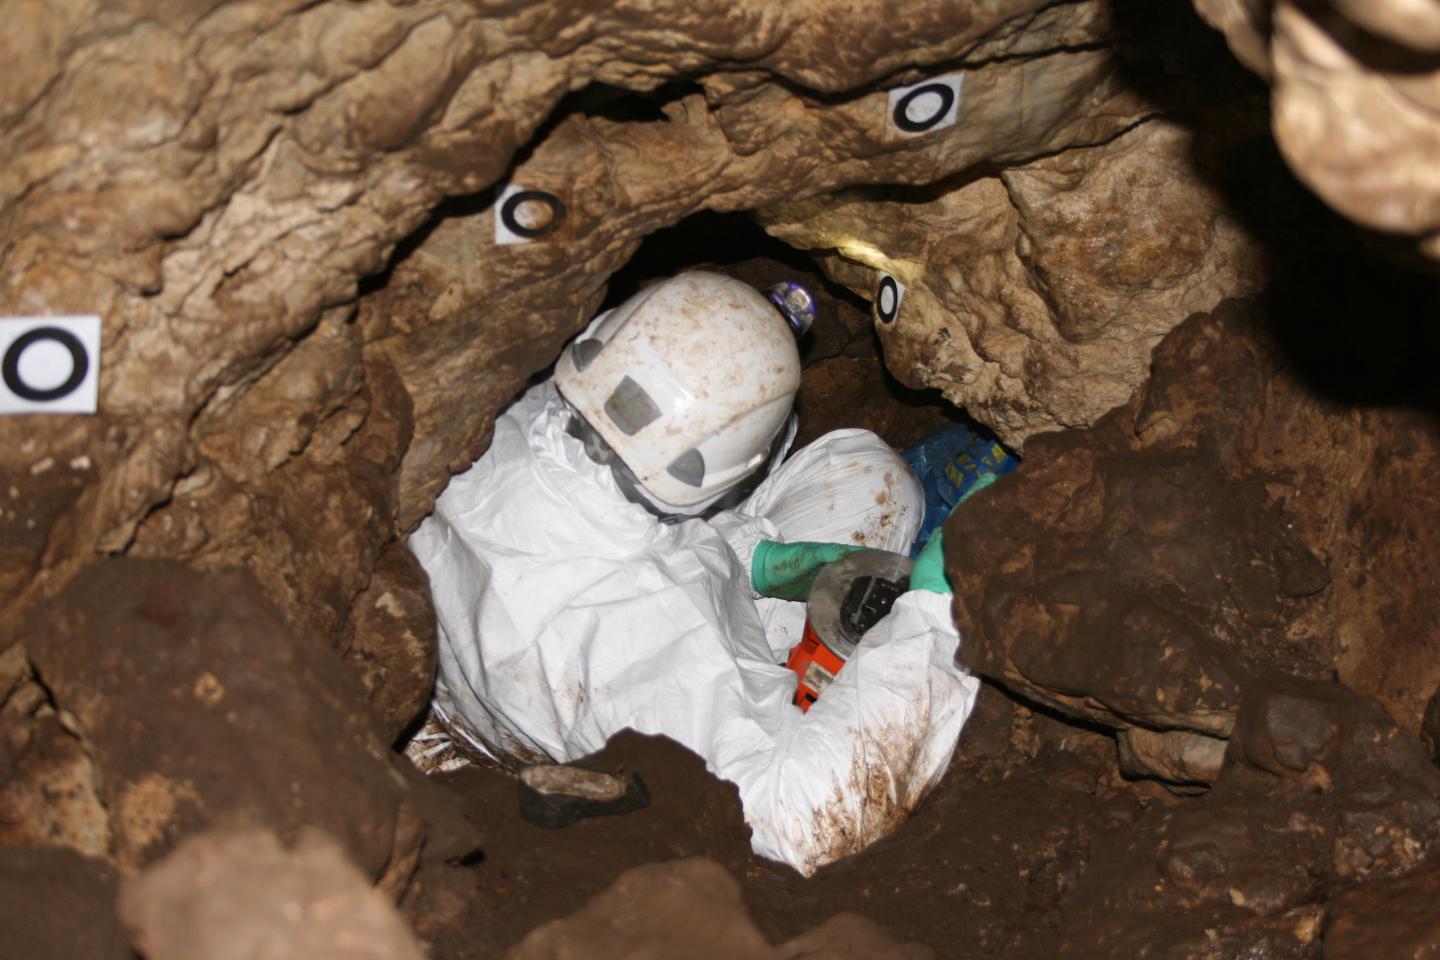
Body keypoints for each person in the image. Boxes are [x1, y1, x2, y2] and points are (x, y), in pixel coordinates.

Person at [410, 270, 980, 875]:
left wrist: (752, 558)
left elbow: (595, 540)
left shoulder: (505, 415)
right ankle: (800, 702)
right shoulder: (658, 645)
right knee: (878, 537)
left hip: (517, 635)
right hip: (579, 714)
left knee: (865, 474)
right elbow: (804, 824)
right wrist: (936, 620)